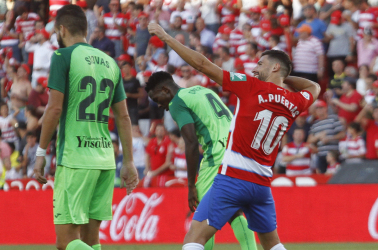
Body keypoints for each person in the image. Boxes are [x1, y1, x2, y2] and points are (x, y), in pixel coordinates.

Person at [148, 23, 320, 250]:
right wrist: (283, 80)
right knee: (273, 245)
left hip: (233, 179)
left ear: (275, 67)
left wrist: (165, 37)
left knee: (193, 240)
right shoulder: (296, 102)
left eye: (260, 64)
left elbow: (201, 64)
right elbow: (314, 86)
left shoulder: (251, 87)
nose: (255, 69)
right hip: (261, 185)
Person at [33, 5, 138, 250]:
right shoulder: (110, 62)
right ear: (86, 29)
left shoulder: (63, 56)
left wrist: (40, 153)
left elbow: (54, 109)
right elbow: (123, 117)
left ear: (62, 29)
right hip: (105, 160)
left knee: (66, 242)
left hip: (76, 159)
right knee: (91, 241)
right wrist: (129, 161)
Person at [145, 71, 258, 250]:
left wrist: (191, 185)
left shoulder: (177, 102)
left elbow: (190, 143)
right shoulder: (201, 90)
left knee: (202, 214)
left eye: (156, 98)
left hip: (217, 154)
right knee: (233, 210)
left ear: (165, 89)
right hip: (238, 150)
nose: (158, 104)